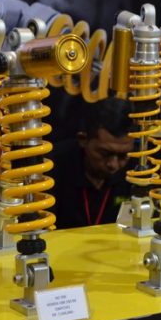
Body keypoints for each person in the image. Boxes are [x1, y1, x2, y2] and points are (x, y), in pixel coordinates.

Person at [49, 96, 134, 229]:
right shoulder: (52, 167)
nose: (113, 165)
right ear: (83, 140)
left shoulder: (138, 170)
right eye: (104, 153)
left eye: (123, 156)